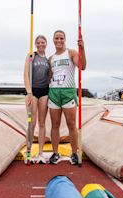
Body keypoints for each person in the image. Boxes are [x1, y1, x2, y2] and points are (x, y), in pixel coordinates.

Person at [48, 30, 86, 165]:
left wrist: (82, 48)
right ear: (53, 40)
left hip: (68, 91)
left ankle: (74, 153)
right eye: (56, 38)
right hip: (53, 92)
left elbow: (82, 66)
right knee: (55, 125)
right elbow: (48, 77)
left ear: (65, 39)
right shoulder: (51, 58)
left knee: (71, 125)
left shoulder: (71, 53)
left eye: (61, 38)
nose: (59, 40)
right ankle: (55, 153)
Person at [23, 35, 50, 163]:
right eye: (38, 42)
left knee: (42, 123)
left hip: (44, 91)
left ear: (46, 44)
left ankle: (40, 152)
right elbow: (25, 74)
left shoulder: (48, 59)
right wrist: (28, 92)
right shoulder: (31, 56)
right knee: (32, 123)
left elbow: (49, 76)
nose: (40, 44)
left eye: (43, 42)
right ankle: (29, 152)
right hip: (32, 91)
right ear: (35, 44)